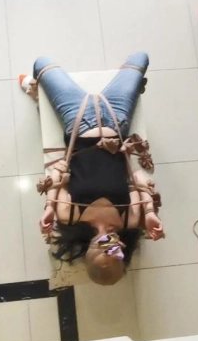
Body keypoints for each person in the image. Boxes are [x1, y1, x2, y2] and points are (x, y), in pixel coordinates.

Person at [28, 52, 165, 286]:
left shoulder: (70, 215)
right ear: (123, 251)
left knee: (41, 63)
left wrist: (49, 207)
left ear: (89, 251)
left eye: (102, 247)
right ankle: (44, 94)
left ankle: (36, 93)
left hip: (78, 120)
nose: (108, 241)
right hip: (117, 118)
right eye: (114, 250)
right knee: (141, 58)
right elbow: (138, 177)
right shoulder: (129, 220)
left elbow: (57, 175)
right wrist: (150, 212)